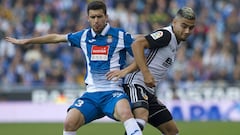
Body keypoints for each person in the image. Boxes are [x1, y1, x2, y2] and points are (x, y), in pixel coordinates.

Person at [5, 1, 142, 135]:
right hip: (92, 95)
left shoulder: (120, 35)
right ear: (88, 18)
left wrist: (125, 71)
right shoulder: (83, 36)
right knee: (69, 122)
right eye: (93, 17)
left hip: (113, 93)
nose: (96, 21)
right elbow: (56, 38)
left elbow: (142, 59)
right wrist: (27, 41)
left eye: (99, 17)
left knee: (125, 112)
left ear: (106, 17)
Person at [106, 7, 196, 135]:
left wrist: (128, 70)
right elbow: (137, 44)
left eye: (191, 28)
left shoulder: (175, 42)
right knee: (141, 117)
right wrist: (146, 73)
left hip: (148, 91)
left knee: (172, 131)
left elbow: (146, 55)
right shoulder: (166, 35)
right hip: (136, 84)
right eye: (184, 26)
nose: (187, 31)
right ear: (174, 22)